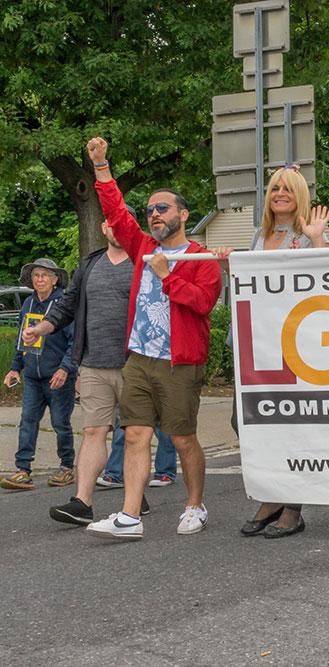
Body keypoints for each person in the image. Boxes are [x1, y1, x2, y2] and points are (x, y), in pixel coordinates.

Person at [82, 136, 223, 541]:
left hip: (179, 362)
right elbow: (116, 211)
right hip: (139, 358)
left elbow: (202, 304)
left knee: (181, 438)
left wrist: (167, 276)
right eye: (150, 210)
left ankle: (195, 504)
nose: (154, 215)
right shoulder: (142, 244)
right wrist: (101, 166)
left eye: (163, 208)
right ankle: (129, 514)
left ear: (183, 213)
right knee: (135, 434)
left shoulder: (201, 258)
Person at [214, 165, 329, 538]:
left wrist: (316, 240)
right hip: (254, 344)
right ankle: (272, 494)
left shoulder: (308, 233)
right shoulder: (257, 236)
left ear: (300, 196)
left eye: (288, 189)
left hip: (293, 345)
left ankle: (292, 506)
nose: (280, 193)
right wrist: (224, 267)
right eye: (275, 187)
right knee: (245, 422)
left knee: (290, 424)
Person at [21, 215, 152, 523]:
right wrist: (43, 328)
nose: (115, 228)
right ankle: (82, 502)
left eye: (123, 222)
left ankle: (135, 496)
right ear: (104, 228)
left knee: (134, 434)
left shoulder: (143, 261)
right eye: (110, 223)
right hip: (93, 362)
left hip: (135, 363)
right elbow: (67, 304)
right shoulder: (90, 264)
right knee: (93, 430)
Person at [0, 259, 77, 491]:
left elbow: (74, 342)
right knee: (28, 421)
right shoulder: (28, 304)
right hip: (33, 375)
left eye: (45, 275)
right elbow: (21, 339)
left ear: (55, 280)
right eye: (36, 275)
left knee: (60, 423)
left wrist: (65, 369)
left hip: (58, 375)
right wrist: (15, 367)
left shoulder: (64, 305)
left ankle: (66, 467)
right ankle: (22, 469)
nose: (40, 279)